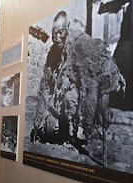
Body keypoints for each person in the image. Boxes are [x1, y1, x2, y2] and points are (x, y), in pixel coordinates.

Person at [36, 11, 125, 143]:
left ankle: (87, 128)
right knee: (64, 93)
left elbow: (90, 85)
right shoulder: (54, 52)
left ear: (68, 27)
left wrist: (88, 121)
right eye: (54, 34)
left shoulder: (80, 45)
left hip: (102, 77)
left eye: (60, 32)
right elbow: (45, 83)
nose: (57, 38)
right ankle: (67, 130)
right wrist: (38, 117)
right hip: (86, 80)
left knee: (93, 109)